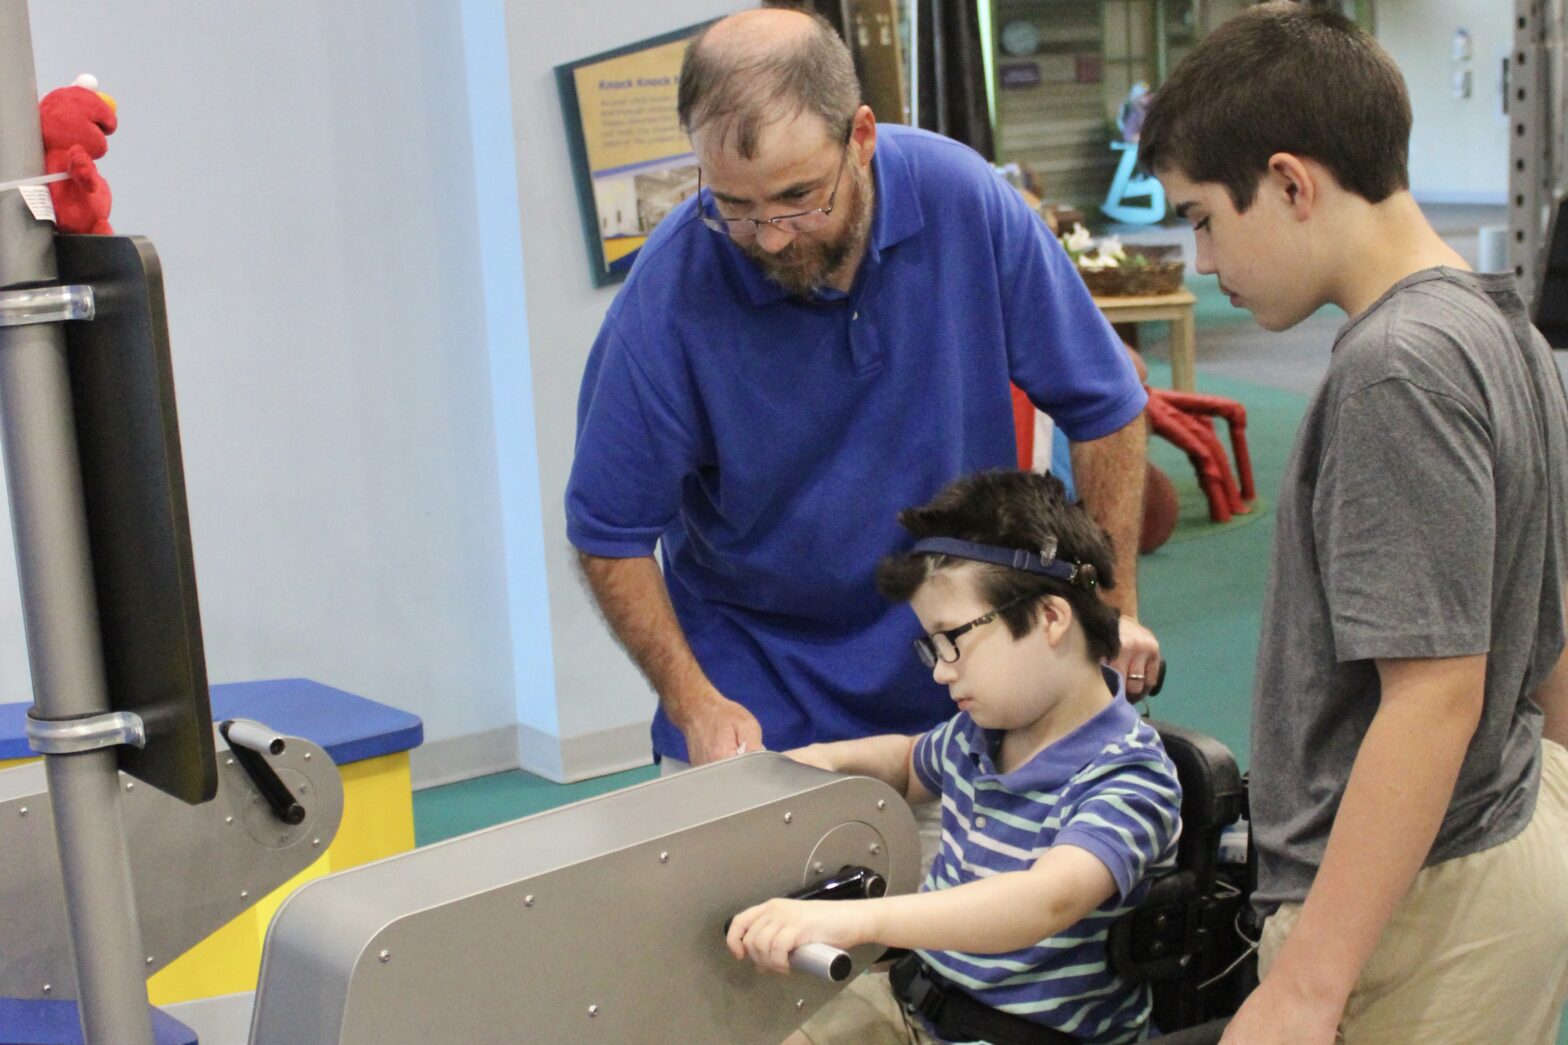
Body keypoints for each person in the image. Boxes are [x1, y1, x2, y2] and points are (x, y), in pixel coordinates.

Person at [566, 4, 1160, 784]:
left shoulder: (961, 199)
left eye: (799, 197)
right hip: (761, 707)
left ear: (862, 139)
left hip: (972, 685)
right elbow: (607, 530)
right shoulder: (670, 291)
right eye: (735, 207)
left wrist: (1109, 607)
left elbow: (1106, 403)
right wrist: (694, 702)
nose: (770, 236)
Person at [1138, 5, 1568, 1043]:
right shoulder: (1490, 316)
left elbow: (1430, 694)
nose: (1199, 261)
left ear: (1290, 182)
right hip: (1505, 833)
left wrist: (1304, 984)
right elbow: (1546, 608)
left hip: (1422, 899)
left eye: (1201, 217)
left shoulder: (1394, 368)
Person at [725, 469, 1181, 1045]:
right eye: (932, 648)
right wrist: (818, 760)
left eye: (953, 639)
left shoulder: (1130, 775)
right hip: (920, 1006)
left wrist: (857, 919)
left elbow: (1044, 900)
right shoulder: (979, 734)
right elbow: (908, 759)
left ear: (1049, 619)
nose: (942, 670)